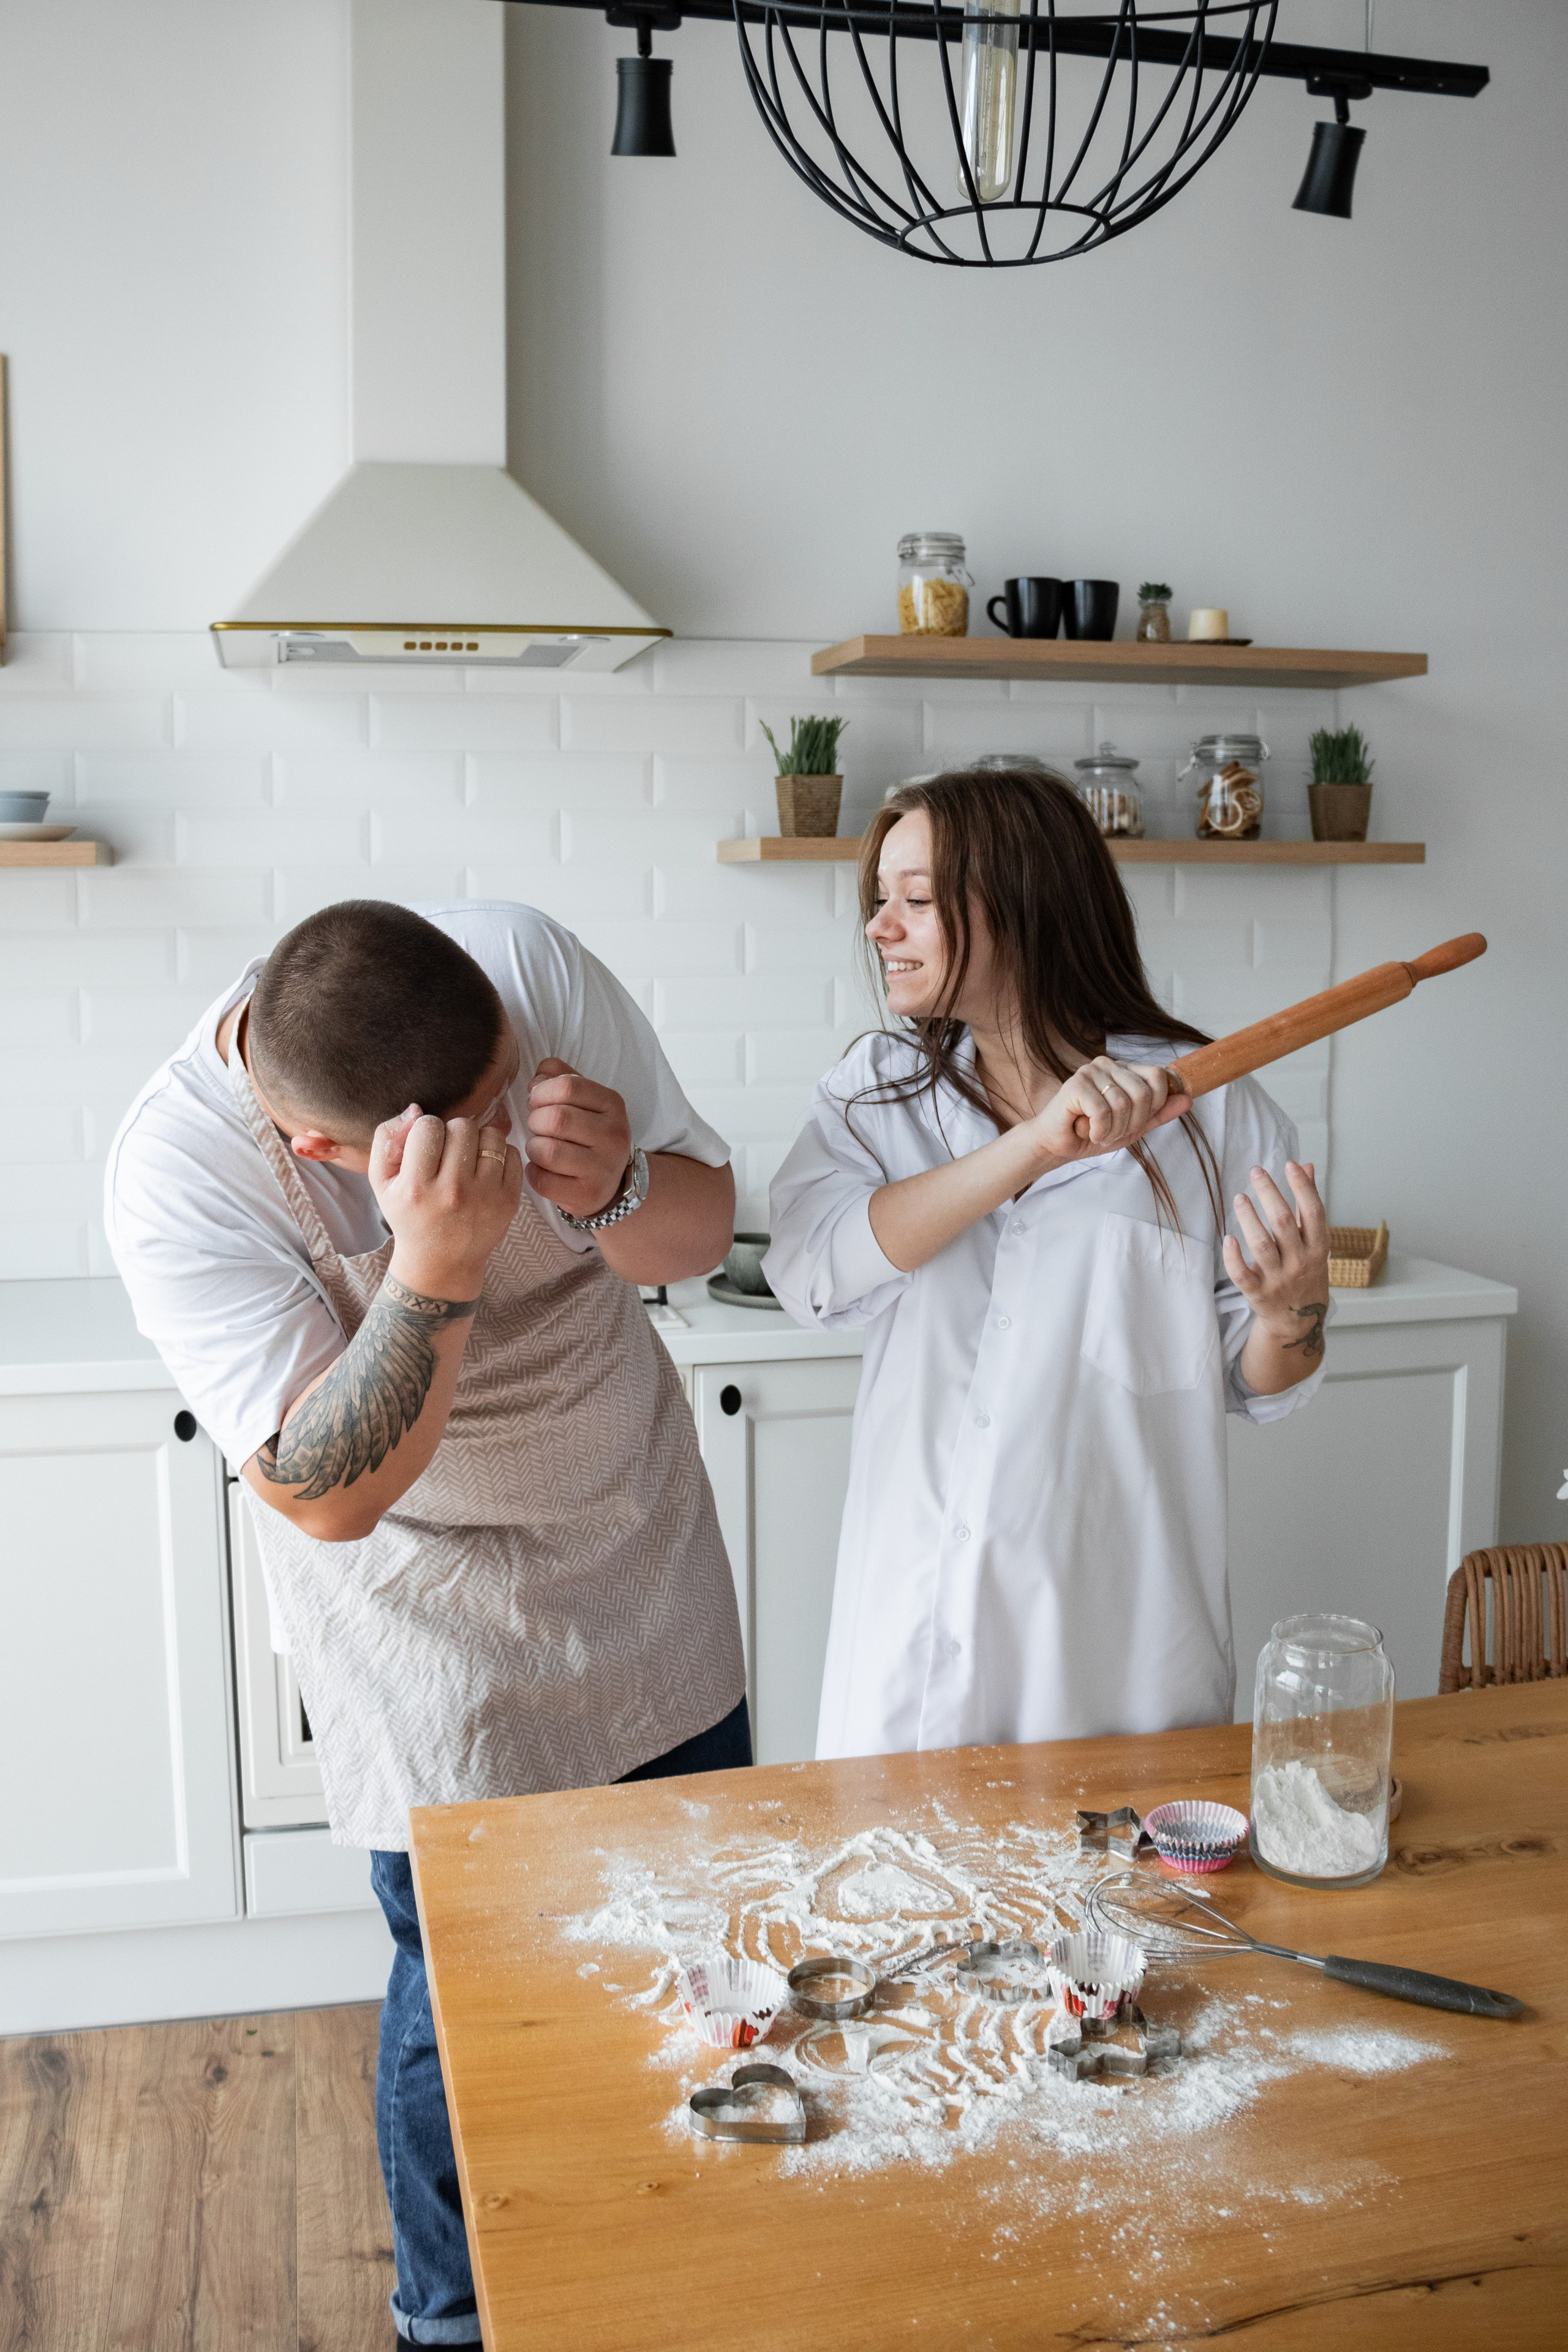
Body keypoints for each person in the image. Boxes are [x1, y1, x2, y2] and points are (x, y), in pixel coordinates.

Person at [106, 897, 747, 2350]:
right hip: (421, 1595)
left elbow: (697, 1231)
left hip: (635, 1537)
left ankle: (687, 2258)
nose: (508, 1132)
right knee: (469, 1992)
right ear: (335, 1153)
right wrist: (439, 1260)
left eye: (508, 1086)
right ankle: (452, 2317)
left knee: (689, 1929)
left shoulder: (521, 962)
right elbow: (325, 1494)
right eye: (471, 1131)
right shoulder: (180, 1177)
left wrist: (621, 1178)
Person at [764, 769, 1330, 1763]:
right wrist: (1035, 1144)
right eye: (879, 899)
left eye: (916, 899)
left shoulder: (1214, 1111)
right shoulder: (877, 1096)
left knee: (1119, 1911)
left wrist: (1293, 1319)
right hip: (917, 1634)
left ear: (1023, 905)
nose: (879, 927)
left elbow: (1257, 1380)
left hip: (1118, 1644)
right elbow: (814, 1271)